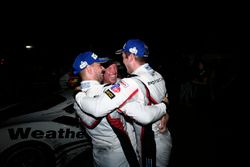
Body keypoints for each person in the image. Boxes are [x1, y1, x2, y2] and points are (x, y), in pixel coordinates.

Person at [75, 39, 172, 167]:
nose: (123, 61)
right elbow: (164, 96)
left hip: (150, 144)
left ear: (131, 57)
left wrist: (78, 95)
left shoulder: (130, 84)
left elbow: (98, 108)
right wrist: (165, 109)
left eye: (123, 57)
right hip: (161, 138)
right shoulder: (157, 75)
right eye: (100, 65)